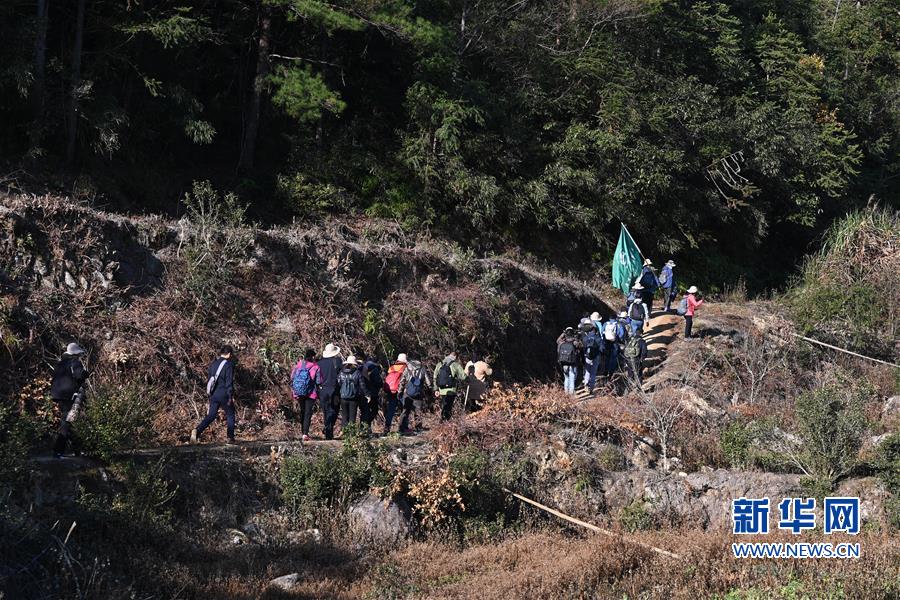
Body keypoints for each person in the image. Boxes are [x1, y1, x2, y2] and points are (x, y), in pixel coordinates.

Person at [50, 342, 90, 458]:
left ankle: (77, 450)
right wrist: (86, 373)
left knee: (71, 422)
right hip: (70, 396)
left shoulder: (60, 363)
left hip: (58, 396)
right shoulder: (75, 362)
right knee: (67, 422)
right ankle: (58, 451)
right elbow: (79, 375)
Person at [191, 345, 237, 444]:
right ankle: (230, 437)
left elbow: (210, 380)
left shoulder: (214, 364)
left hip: (213, 394)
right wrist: (230, 396)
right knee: (230, 414)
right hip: (224, 393)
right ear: (229, 354)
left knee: (211, 415)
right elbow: (229, 382)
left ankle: (197, 431)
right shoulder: (229, 364)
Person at [290, 348, 321, 442]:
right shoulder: (316, 367)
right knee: (308, 412)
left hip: (299, 392)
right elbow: (319, 381)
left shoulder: (299, 364)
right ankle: (305, 433)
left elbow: (292, 377)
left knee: (302, 411)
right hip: (311, 393)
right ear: (313, 357)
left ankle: (302, 432)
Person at [317, 342, 343, 440]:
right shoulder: (338, 361)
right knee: (334, 410)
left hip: (322, 389)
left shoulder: (319, 363)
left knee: (326, 410)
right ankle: (328, 427)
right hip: (334, 389)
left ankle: (328, 432)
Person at [399, 357, 432, 433]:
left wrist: (400, 391)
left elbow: (402, 381)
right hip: (418, 393)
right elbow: (428, 381)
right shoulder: (422, 369)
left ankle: (401, 428)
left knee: (405, 411)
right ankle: (418, 428)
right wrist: (430, 389)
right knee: (418, 411)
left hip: (407, 393)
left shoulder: (407, 369)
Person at [434, 352, 466, 420]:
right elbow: (463, 377)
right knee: (448, 406)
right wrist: (468, 378)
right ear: (455, 357)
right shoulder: (455, 365)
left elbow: (435, 377)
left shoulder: (440, 364)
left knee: (444, 405)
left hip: (441, 389)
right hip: (451, 389)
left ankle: (443, 422)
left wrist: (436, 389)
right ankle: (445, 422)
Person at [382, 353, 408, 434]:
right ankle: (403, 427)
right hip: (400, 390)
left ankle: (387, 427)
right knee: (404, 409)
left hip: (390, 390)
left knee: (391, 410)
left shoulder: (392, 367)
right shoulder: (405, 368)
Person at [358, 352, 383, 433]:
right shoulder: (374, 369)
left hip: (362, 392)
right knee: (374, 410)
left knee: (364, 411)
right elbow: (377, 382)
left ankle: (363, 428)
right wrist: (381, 384)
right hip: (372, 393)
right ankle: (366, 427)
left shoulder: (362, 367)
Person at [337, 355, 363, 429]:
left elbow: (339, 383)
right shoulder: (357, 372)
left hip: (343, 397)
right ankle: (351, 433)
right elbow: (362, 384)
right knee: (352, 416)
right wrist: (366, 394)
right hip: (353, 397)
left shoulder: (341, 372)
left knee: (345, 415)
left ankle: (344, 431)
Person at [557, 327, 583, 395]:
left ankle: (566, 393)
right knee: (572, 377)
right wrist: (577, 337)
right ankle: (571, 394)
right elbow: (581, 346)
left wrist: (563, 333)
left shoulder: (561, 342)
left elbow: (557, 341)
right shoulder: (574, 342)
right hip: (572, 362)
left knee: (566, 377)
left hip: (564, 362)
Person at [582, 324, 604, 393]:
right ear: (595, 331)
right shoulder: (598, 338)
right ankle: (591, 388)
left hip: (587, 356)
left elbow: (583, 348)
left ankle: (586, 384)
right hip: (596, 356)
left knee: (587, 371)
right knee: (593, 373)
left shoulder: (585, 338)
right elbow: (602, 349)